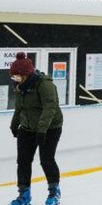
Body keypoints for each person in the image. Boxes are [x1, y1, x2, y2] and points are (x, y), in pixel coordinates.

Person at [8, 53, 63, 205]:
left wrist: (42, 130)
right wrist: (14, 124)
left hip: (50, 127)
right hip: (27, 128)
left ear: (25, 74)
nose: (14, 79)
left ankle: (54, 193)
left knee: (46, 159)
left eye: (16, 76)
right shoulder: (20, 87)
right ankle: (24, 196)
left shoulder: (44, 84)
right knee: (23, 161)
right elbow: (19, 108)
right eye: (13, 76)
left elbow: (50, 108)